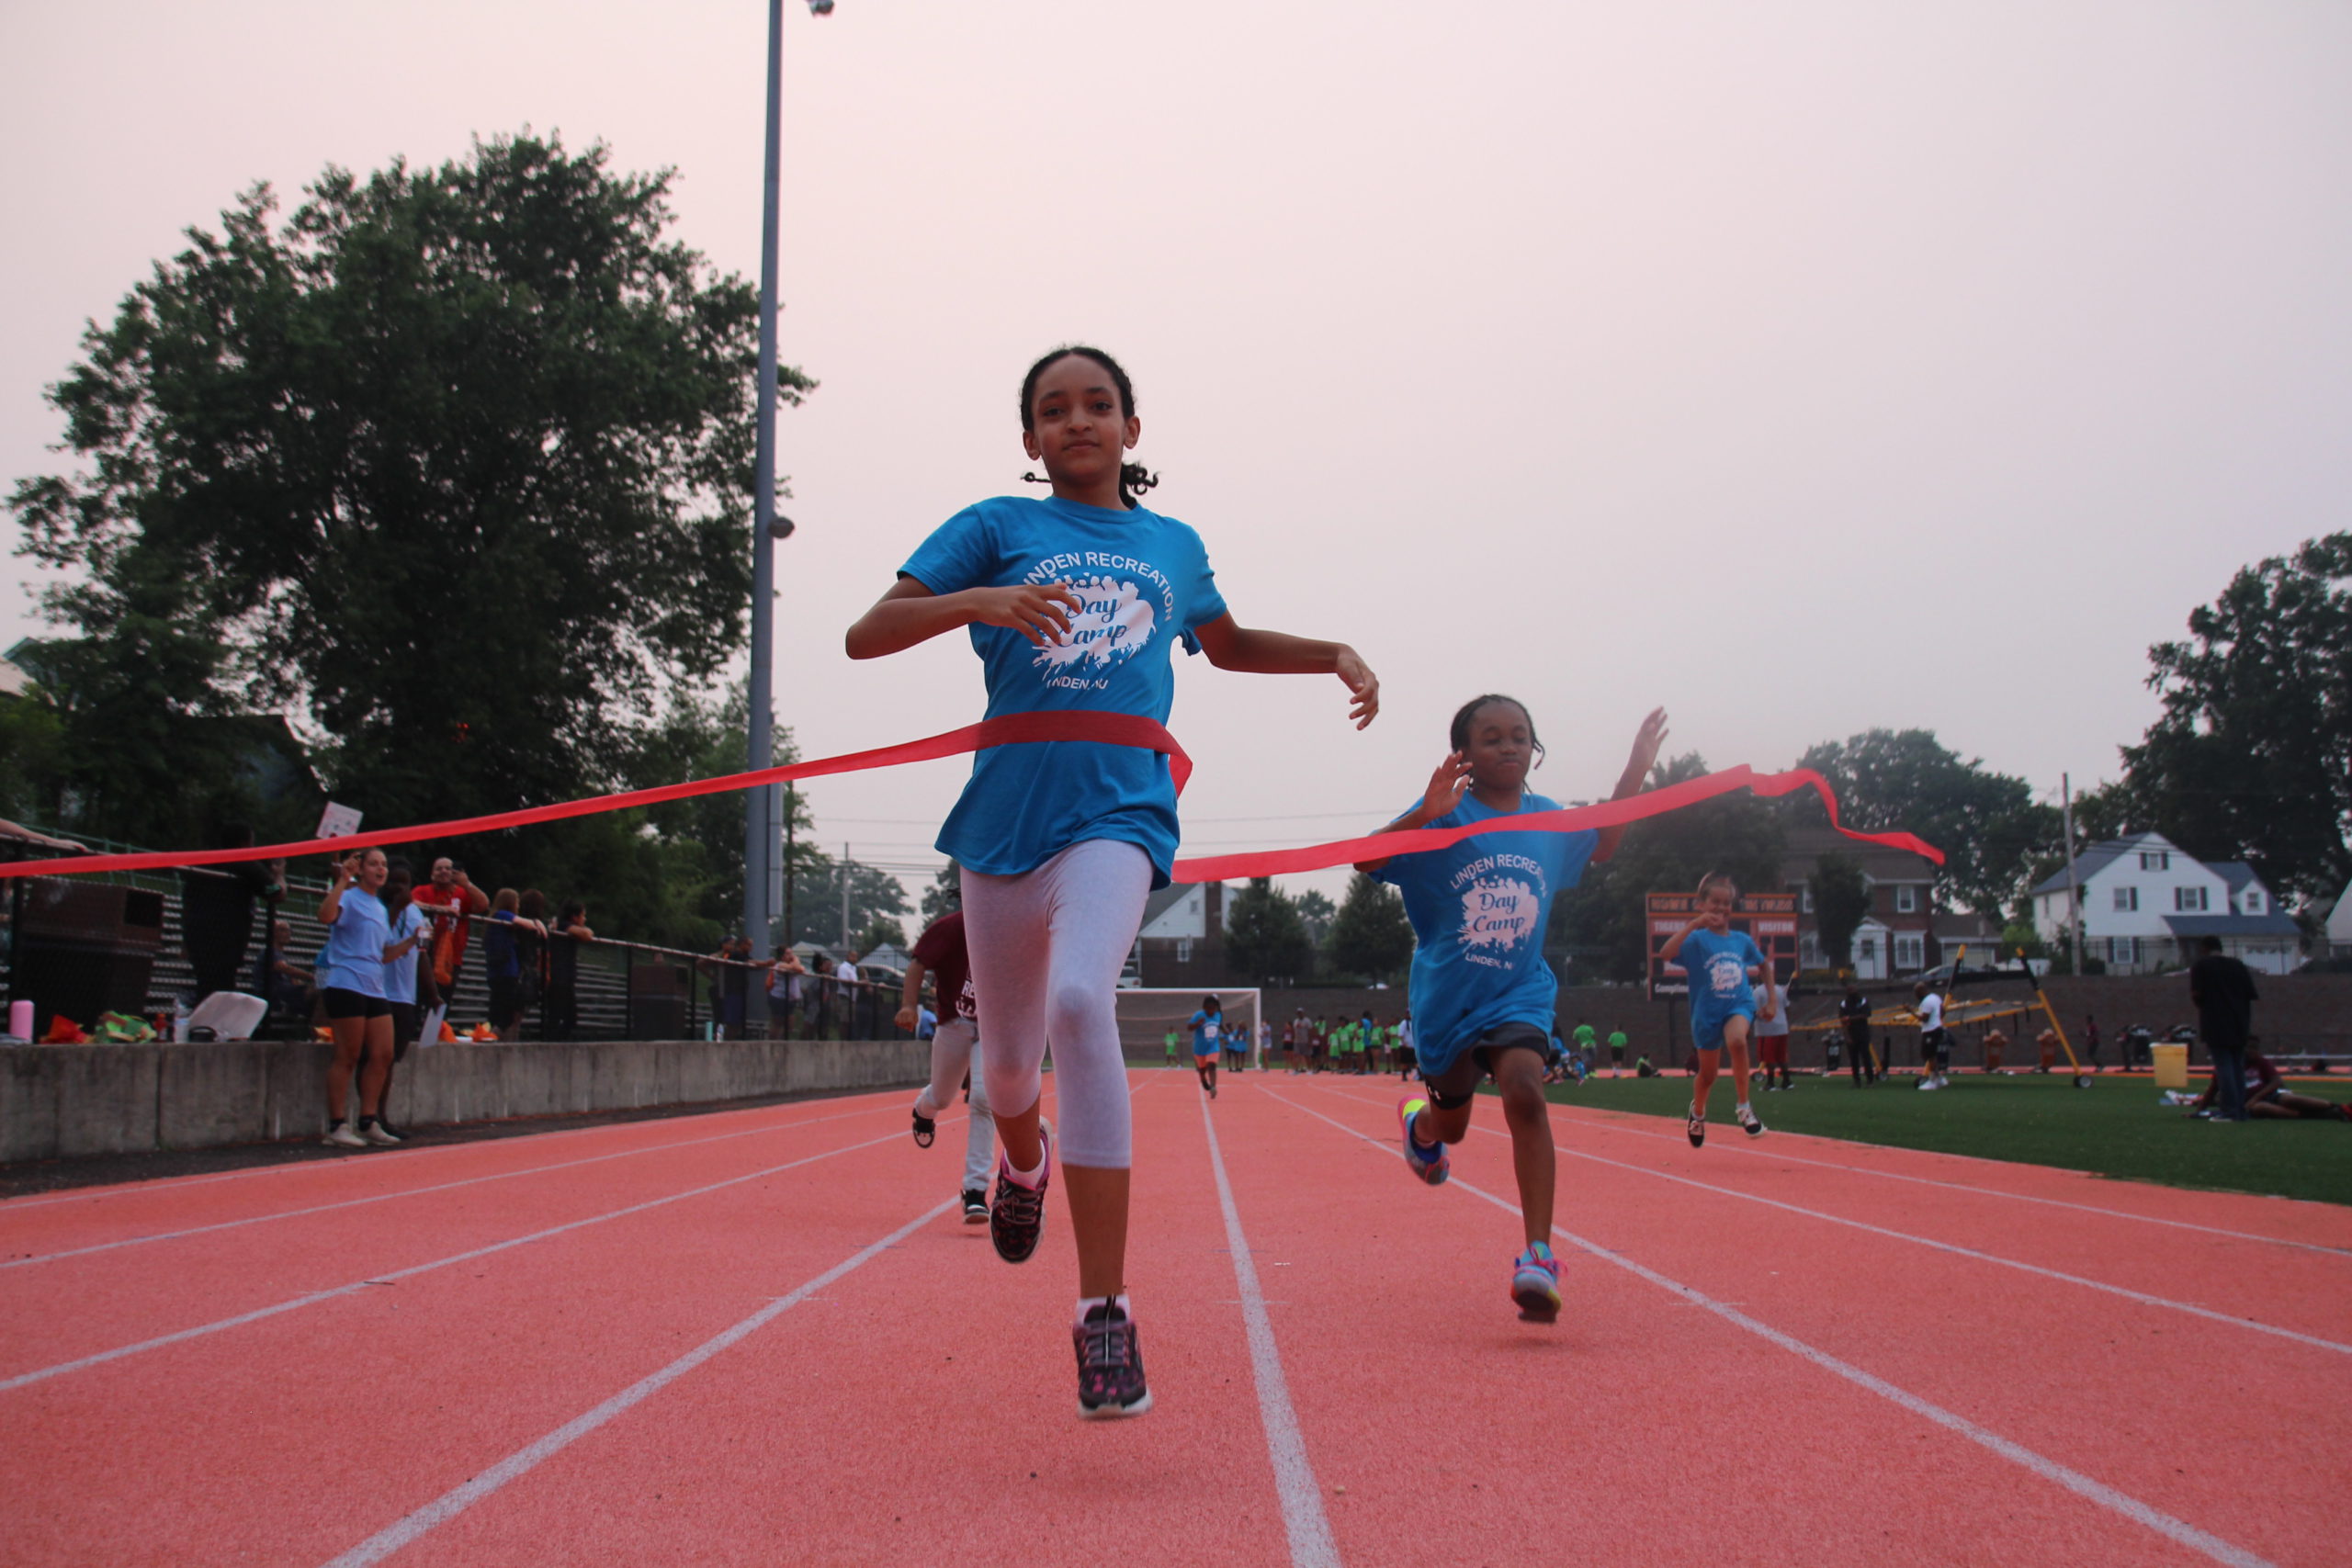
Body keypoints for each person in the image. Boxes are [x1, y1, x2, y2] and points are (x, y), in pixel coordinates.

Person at [843, 343, 1379, 1419]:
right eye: (1054, 409)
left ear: (1132, 429)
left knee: (1083, 1002)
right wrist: (982, 601)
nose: (1077, 421)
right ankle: (1022, 1164)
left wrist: (1333, 652)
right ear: (1030, 438)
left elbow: (1227, 644)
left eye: (1098, 404)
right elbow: (867, 635)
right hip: (1004, 826)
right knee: (1005, 1076)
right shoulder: (994, 526)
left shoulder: (1171, 545)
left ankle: (1103, 1314)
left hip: (1121, 810)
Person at [1374, 694, 1667, 1323]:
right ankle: (1422, 1129)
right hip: (1448, 1001)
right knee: (1452, 1126)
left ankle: (1538, 1255)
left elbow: (1605, 842)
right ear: (1463, 753)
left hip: (1519, 991)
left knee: (1526, 1093)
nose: (1508, 746)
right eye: (1491, 737)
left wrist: (1636, 768)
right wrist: (1423, 812)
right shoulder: (1443, 817)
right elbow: (1366, 857)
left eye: (1519, 736)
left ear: (1533, 748)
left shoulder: (1548, 820)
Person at [315, 848, 426, 1147]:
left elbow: (383, 954)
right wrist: (343, 880)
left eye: (384, 865)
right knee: (348, 1055)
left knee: (383, 1054)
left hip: (374, 986)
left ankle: (368, 1120)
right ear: (361, 868)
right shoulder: (349, 898)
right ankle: (337, 1125)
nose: (381, 869)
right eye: (374, 864)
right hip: (347, 982)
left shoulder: (378, 907)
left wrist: (412, 942)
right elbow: (325, 916)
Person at [1659, 871, 1776, 1146]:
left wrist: (1771, 1000)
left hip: (1738, 1003)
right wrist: (1694, 924)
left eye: (1726, 903)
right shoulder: (1697, 940)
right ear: (1701, 904)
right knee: (1708, 1075)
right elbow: (1666, 953)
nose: (1721, 908)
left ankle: (1744, 1107)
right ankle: (1698, 1113)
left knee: (1737, 1041)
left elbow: (1764, 966)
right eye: (1715, 902)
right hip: (1706, 1013)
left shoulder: (1741, 940)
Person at [902, 908, 996, 1224]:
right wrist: (908, 1006)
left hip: (992, 1027)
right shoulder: (953, 926)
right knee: (941, 1097)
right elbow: (918, 963)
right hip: (953, 1024)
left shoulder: (1012, 921)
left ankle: (975, 1190)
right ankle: (923, 1110)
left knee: (983, 1099)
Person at [178, 825, 281, 1005]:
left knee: (207, 984)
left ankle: (205, 1017)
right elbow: (275, 892)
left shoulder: (204, 861)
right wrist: (280, 876)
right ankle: (210, 1020)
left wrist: (186, 937)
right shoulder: (245, 863)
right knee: (219, 987)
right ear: (244, 843)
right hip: (226, 938)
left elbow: (187, 899)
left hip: (198, 934)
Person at [378, 857, 431, 1134]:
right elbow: (378, 944)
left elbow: (421, 954)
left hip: (405, 996)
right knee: (375, 1058)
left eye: (405, 883)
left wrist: (432, 992)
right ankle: (372, 1116)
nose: (399, 888)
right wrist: (396, 908)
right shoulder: (378, 908)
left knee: (391, 1059)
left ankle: (381, 1115)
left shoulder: (415, 913)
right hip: (378, 992)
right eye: (394, 882)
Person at [2188, 935, 2260, 1122]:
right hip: (2240, 1022)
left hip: (2215, 1021)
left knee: (2224, 1066)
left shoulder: (2201, 966)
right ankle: (2240, 1110)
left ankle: (2229, 1110)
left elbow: (2197, 994)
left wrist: (2205, 1007)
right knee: (2237, 1066)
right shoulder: (2238, 965)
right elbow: (2250, 995)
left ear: (2204, 948)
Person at [413, 857, 491, 1000]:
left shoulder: (462, 893)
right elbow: (412, 903)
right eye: (439, 869)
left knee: (443, 1002)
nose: (444, 871)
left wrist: (467, 884)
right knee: (418, 999)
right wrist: (443, 910)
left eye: (448, 869)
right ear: (432, 874)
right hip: (424, 954)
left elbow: (483, 905)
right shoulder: (422, 890)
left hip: (450, 958)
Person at [481, 890, 547, 1041]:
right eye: (516, 902)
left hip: (498, 972)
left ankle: (490, 1036)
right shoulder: (502, 915)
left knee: (499, 1010)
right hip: (507, 972)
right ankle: (489, 1038)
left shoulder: (497, 919)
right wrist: (537, 923)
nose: (518, 906)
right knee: (507, 1014)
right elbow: (527, 923)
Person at [544, 903, 595, 1042]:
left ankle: (556, 1042)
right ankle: (551, 1043)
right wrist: (586, 930)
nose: (584, 919)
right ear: (574, 917)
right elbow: (586, 934)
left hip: (565, 978)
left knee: (568, 1018)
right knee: (558, 1016)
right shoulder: (563, 926)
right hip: (559, 977)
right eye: (583, 915)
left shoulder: (563, 926)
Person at [257, 917, 315, 1030]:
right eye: (282, 930)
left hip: (286, 993)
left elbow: (293, 978)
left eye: (288, 930)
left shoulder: (281, 955)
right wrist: (313, 977)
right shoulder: (269, 952)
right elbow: (284, 968)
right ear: (272, 932)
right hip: (274, 994)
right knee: (319, 993)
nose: (287, 933)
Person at [1755, 976, 1792, 1090]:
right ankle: (1787, 1081)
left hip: (1767, 1028)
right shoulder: (1780, 990)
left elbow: (1754, 1010)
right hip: (1781, 1027)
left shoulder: (1758, 992)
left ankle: (1770, 1083)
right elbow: (1787, 1007)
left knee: (1768, 1056)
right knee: (1781, 1055)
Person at [1913, 979, 1950, 1089]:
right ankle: (1939, 1078)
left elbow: (1925, 1018)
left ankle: (1933, 1081)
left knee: (1929, 1055)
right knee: (1928, 1055)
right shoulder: (1935, 997)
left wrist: (1910, 1011)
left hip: (1930, 1030)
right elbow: (1943, 1011)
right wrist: (1937, 1020)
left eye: (1917, 992)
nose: (1916, 995)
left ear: (1922, 991)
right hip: (1937, 1028)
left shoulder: (1926, 1002)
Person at [1839, 981, 1877, 1087]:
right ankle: (1856, 1081)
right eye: (1849, 990)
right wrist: (1847, 1036)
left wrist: (1850, 1018)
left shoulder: (1863, 1001)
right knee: (1853, 1059)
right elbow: (1843, 1020)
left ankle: (1870, 1080)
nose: (1851, 992)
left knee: (1866, 1058)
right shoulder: (1844, 1004)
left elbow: (1866, 1015)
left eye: (1853, 989)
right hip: (1851, 1034)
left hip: (1863, 1033)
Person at [1189, 995, 1224, 1099]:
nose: (1211, 1011)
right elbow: (1189, 1027)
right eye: (1208, 1009)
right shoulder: (1198, 1015)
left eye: (1213, 1008)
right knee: (1202, 1069)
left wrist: (1226, 1032)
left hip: (1213, 1046)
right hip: (1200, 1048)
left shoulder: (1218, 1015)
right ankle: (1203, 1078)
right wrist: (1197, 1024)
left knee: (1212, 1066)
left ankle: (1213, 1087)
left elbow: (1220, 1024)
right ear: (1204, 1007)